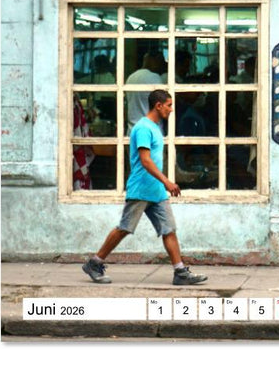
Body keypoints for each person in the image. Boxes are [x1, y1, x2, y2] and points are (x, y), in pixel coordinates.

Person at [82, 90, 207, 285]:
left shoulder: (156, 128)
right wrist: (167, 181)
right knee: (125, 228)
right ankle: (94, 263)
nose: (171, 109)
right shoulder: (143, 128)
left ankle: (180, 272)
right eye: (169, 105)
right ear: (158, 105)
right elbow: (146, 161)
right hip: (141, 188)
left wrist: (162, 184)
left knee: (169, 229)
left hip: (156, 191)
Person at [126, 51, 166, 128]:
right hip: (150, 130)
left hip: (133, 128)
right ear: (152, 60)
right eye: (160, 62)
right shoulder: (154, 77)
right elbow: (163, 106)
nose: (161, 66)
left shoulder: (131, 77)